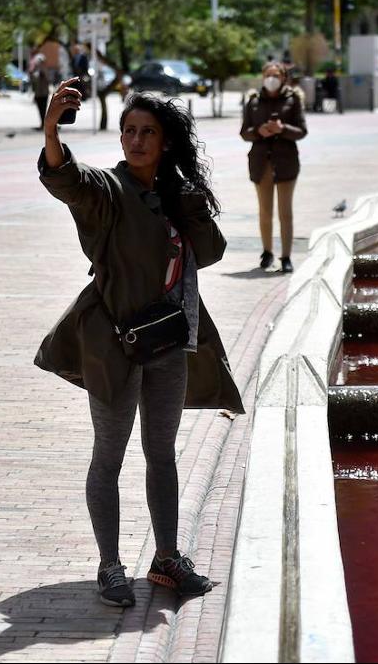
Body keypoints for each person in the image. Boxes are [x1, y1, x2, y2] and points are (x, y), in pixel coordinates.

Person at [35, 79, 242, 609]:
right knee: (109, 455)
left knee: (161, 454)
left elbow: (211, 251)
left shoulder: (177, 194)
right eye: (129, 131)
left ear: (165, 141)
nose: (136, 140)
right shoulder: (108, 189)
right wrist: (52, 129)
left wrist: (189, 203)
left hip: (169, 339)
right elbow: (67, 179)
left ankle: (167, 559)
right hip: (116, 345)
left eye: (147, 132)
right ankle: (110, 565)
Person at [240, 61, 308, 273]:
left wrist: (282, 129)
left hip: (286, 162)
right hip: (261, 163)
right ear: (263, 77)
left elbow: (302, 131)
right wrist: (258, 131)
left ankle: (286, 256)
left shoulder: (293, 99)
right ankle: (267, 252)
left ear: (283, 78)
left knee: (285, 212)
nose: (271, 79)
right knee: (265, 211)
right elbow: (244, 132)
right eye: (268, 75)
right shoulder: (253, 101)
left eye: (276, 75)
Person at [29, 53, 50, 130]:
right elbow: (33, 81)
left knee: (44, 110)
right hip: (38, 94)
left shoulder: (45, 70)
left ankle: (45, 125)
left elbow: (48, 79)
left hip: (44, 93)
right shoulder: (35, 70)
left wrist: (42, 72)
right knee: (40, 110)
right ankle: (42, 124)